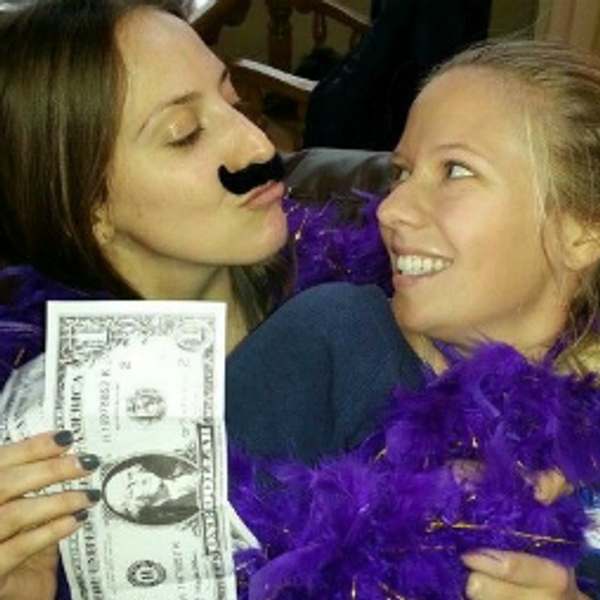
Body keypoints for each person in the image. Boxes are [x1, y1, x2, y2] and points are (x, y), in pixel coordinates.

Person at [227, 39, 600, 598]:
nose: (391, 208)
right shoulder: (333, 342)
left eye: (455, 170)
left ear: (582, 231)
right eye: (401, 172)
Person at [0, 0, 293, 598]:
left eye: (234, 99)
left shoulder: (377, 307)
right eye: (184, 134)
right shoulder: (27, 435)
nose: (259, 147)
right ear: (91, 209)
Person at [103, 455, 197, 525]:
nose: (137, 481)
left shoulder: (180, 463)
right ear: (135, 507)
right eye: (130, 489)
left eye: (130, 476)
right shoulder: (179, 517)